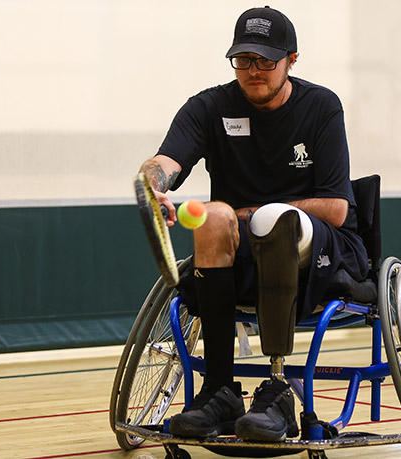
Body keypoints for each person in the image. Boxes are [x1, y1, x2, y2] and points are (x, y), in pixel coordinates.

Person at [137, 6, 368, 440]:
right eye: (244, 60)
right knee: (211, 216)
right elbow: (165, 161)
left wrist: (253, 214)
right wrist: (151, 182)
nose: (254, 70)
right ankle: (220, 390)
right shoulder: (208, 107)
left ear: (292, 60)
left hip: (319, 249)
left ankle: (279, 390)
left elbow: (337, 207)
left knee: (271, 217)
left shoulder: (321, 106)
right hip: (241, 255)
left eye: (266, 61)